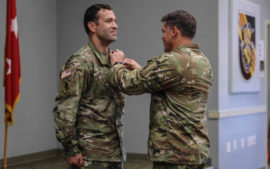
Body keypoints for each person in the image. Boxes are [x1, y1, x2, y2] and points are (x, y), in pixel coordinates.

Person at [109, 10, 213, 169]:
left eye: (164, 31)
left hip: (175, 152)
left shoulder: (172, 61)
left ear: (174, 32)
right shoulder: (202, 60)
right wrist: (141, 70)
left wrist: (116, 64)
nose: (162, 36)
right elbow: (173, 86)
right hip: (195, 150)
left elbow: (128, 84)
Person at [53, 4, 125, 169]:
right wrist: (71, 150)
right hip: (90, 157)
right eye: (109, 21)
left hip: (113, 153)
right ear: (92, 26)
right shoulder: (79, 63)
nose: (115, 25)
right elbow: (64, 111)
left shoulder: (113, 61)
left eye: (115, 20)